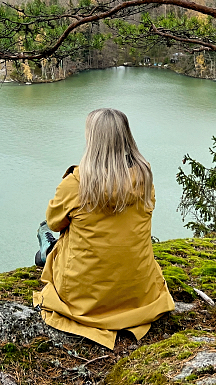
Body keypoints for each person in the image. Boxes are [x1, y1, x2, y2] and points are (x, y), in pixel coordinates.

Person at [32, 108, 175, 350]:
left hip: (84, 298)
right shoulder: (144, 177)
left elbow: (56, 223)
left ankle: (46, 250)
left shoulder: (76, 184)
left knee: (46, 229)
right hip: (138, 290)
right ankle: (48, 249)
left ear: (93, 140)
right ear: (126, 137)